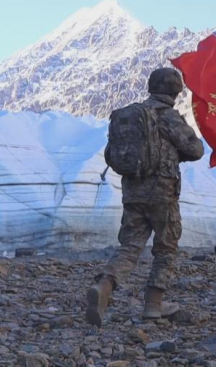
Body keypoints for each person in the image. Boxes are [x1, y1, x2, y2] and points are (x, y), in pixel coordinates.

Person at [86, 67, 204, 327]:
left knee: (130, 246)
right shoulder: (170, 117)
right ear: (175, 91)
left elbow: (110, 155)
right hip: (163, 193)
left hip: (132, 191)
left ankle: (104, 287)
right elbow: (195, 150)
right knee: (165, 248)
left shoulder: (131, 116)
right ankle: (153, 304)